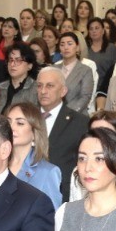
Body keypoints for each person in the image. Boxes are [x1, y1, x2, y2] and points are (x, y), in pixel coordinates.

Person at [35, 66, 90, 201]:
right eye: (39, 86)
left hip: (61, 193)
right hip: (27, 190)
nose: (43, 91)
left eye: (50, 86)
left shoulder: (81, 123)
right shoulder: (25, 119)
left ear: (63, 91)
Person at [6, 102, 63, 209]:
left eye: (20, 123)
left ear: (34, 133)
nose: (11, 127)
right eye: (8, 122)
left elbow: (51, 219)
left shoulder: (48, 172)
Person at [0, 43, 39, 114]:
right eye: (10, 60)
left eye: (18, 60)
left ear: (30, 65)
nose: (12, 64)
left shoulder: (36, 89)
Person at [55, 32, 95, 111]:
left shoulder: (85, 70)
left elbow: (85, 96)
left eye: (69, 44)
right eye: (62, 45)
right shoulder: (54, 69)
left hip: (76, 114)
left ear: (77, 47)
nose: (66, 47)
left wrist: (67, 113)